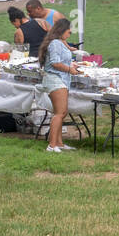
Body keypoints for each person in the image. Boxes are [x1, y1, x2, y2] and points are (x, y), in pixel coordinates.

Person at [38, 17, 79, 153]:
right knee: (59, 113)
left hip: (60, 79)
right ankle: (52, 145)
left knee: (62, 112)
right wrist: (69, 69)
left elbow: (63, 52)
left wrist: (71, 63)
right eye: (69, 32)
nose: (69, 35)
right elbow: (55, 63)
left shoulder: (58, 41)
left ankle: (59, 143)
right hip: (55, 80)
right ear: (62, 31)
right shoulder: (55, 43)